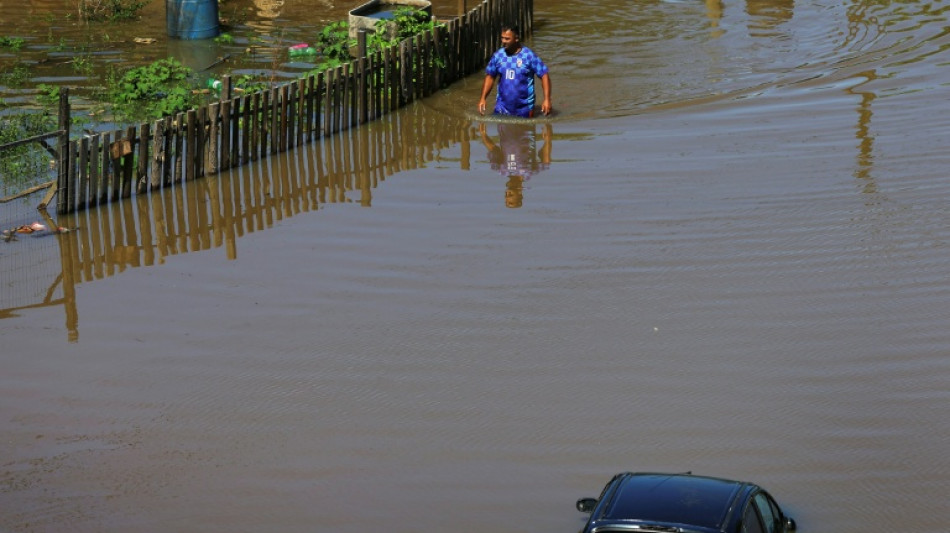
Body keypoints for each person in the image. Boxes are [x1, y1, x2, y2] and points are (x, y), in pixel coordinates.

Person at [478, 25, 552, 118]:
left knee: (525, 129)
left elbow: (544, 75)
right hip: (502, 106)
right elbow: (490, 77)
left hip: (524, 108)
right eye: (502, 38)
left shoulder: (528, 56)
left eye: (507, 39)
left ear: (516, 39)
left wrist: (547, 99)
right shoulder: (498, 56)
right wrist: (483, 98)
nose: (503, 41)